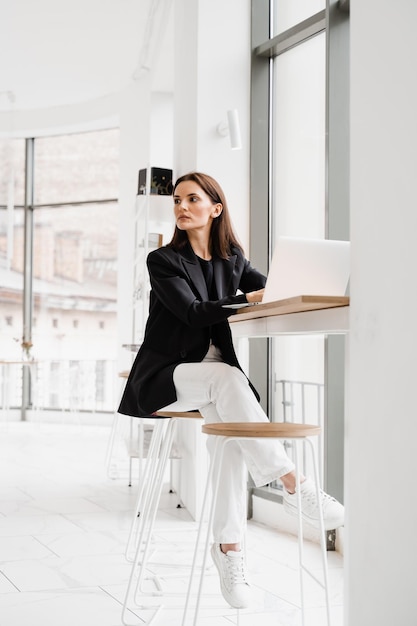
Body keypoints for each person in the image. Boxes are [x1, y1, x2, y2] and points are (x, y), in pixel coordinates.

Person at [118, 171, 344, 609]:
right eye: (178, 200)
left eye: (193, 199)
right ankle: (292, 482)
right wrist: (250, 299)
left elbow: (272, 289)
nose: (182, 207)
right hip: (168, 376)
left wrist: (301, 286)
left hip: (219, 382)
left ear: (215, 208)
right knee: (227, 379)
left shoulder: (232, 259)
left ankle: (229, 550)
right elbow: (193, 312)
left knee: (228, 444)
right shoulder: (162, 260)